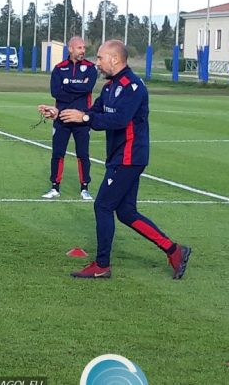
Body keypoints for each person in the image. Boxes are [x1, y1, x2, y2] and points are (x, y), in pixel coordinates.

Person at [49, 40, 190, 279]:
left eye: (101, 57)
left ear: (114, 59)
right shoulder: (109, 87)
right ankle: (174, 250)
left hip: (130, 156)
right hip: (118, 156)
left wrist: (84, 119)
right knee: (125, 212)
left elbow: (119, 120)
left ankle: (102, 265)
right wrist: (60, 114)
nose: (97, 62)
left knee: (102, 205)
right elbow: (94, 114)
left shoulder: (133, 87)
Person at [43, 36, 97, 200]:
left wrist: (67, 85)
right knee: (58, 153)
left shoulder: (90, 68)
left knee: (83, 154)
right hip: (62, 117)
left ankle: (84, 187)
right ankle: (55, 187)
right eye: (80, 48)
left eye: (84, 48)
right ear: (71, 49)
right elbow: (55, 91)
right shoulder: (59, 68)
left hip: (82, 118)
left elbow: (88, 87)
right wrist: (78, 87)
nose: (83, 51)